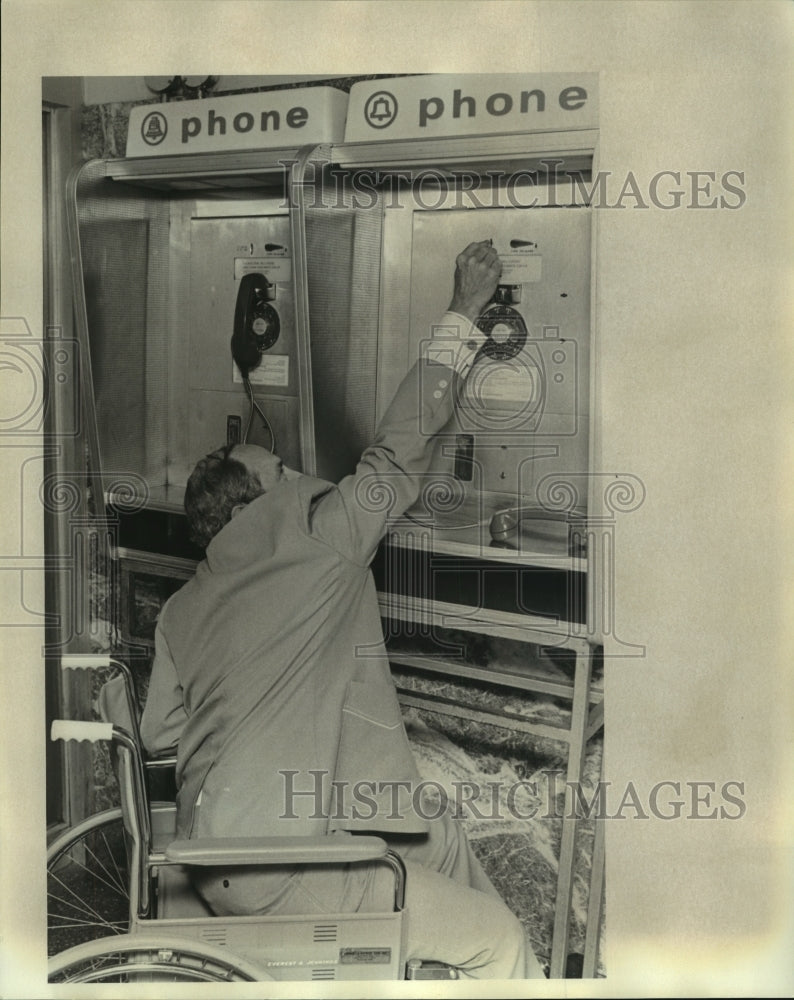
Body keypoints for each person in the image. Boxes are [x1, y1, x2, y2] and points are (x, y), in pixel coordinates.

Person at [139, 241, 545, 980]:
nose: (299, 473)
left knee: (438, 837)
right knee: (497, 943)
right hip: (286, 869)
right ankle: (499, 959)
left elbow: (158, 729)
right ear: (258, 501)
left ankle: (465, 954)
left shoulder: (180, 610)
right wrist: (459, 312)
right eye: (284, 471)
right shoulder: (317, 540)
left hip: (214, 857)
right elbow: (396, 455)